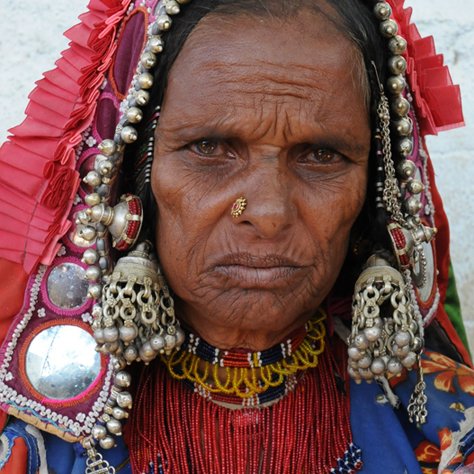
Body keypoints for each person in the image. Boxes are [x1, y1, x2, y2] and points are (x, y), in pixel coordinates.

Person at [0, 0, 472, 472]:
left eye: (322, 155)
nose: (267, 214)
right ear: (133, 175)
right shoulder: (31, 447)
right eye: (209, 148)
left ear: (373, 190)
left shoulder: (448, 434)